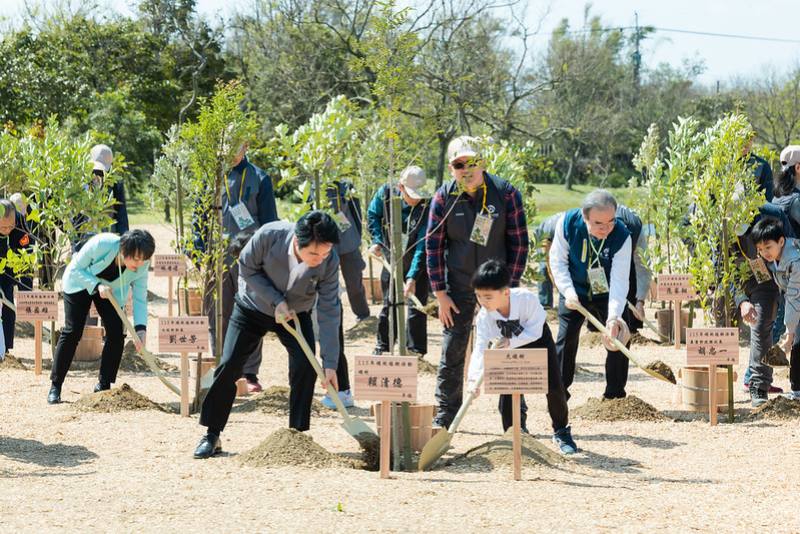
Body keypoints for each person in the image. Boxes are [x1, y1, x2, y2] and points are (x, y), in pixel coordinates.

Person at [193, 211, 343, 459]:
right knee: (229, 365)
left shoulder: (329, 259)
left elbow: (329, 309)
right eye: (313, 254)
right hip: (253, 306)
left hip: (296, 313)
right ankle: (212, 433)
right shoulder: (269, 235)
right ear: (297, 241)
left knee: (306, 366)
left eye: (325, 253)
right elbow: (246, 267)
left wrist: (330, 363)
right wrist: (276, 301)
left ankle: (297, 436)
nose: (319, 259)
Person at [426, 135, 529, 428]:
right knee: (453, 349)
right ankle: (446, 415)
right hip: (457, 286)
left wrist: (510, 286)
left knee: (506, 349)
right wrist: (440, 293)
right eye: (459, 164)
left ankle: (514, 421)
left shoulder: (506, 194)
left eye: (473, 162)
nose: (466, 169)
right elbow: (432, 246)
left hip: (497, 287)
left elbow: (519, 243)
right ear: (451, 168)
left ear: (483, 163)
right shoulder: (443, 198)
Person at [465, 259, 577, 454]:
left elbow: (535, 331)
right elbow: (480, 348)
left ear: (505, 292)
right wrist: (473, 380)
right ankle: (514, 433)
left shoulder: (527, 300)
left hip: (537, 340)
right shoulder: (484, 316)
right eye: (479, 296)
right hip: (504, 346)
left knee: (554, 386)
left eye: (488, 297)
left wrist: (510, 342)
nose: (483, 302)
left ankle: (561, 431)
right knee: (507, 389)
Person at [195, 142, 278, 393]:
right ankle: (220, 363)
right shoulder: (210, 177)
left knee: (252, 310)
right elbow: (198, 216)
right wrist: (197, 249)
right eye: (225, 143)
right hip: (215, 255)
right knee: (216, 310)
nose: (230, 149)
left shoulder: (260, 178)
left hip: (250, 256)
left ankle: (249, 373)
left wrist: (269, 256)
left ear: (246, 146)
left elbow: (269, 221)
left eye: (236, 144)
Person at [47, 230, 156, 404]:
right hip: (80, 283)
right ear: (124, 249)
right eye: (136, 258)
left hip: (111, 292)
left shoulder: (142, 265)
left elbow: (140, 298)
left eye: (144, 259)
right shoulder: (102, 244)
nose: (140, 263)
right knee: (73, 331)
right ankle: (56, 385)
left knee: (116, 334)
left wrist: (141, 329)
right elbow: (76, 268)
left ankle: (104, 385)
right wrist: (96, 285)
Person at [549, 189, 632, 400]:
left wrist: (614, 316)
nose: (606, 229)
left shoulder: (622, 235)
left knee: (618, 335)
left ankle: (614, 395)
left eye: (611, 221)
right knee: (565, 339)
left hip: (607, 293)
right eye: (598, 224)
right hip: (574, 291)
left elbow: (620, 279)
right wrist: (568, 292)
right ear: (585, 217)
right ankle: (560, 393)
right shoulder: (567, 224)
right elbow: (558, 261)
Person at [367, 165, 431, 357]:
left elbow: (423, 244)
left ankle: (415, 351)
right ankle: (384, 345)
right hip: (391, 255)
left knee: (416, 305)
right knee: (389, 301)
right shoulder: (385, 194)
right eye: (411, 193)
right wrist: (377, 240)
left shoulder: (426, 206)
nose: (416, 198)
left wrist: (412, 276)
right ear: (400, 187)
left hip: (416, 257)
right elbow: (373, 215)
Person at [735, 208, 793, 405]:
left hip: (768, 279)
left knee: (760, 326)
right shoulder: (721, 220)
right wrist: (742, 300)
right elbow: (722, 268)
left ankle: (759, 386)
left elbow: (790, 250)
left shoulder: (772, 214)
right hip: (739, 277)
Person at [751, 217, 800, 400]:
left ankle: (797, 391)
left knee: (797, 340)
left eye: (768, 247)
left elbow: (795, 298)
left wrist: (790, 332)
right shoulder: (773, 259)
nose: (765, 253)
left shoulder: (795, 260)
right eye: (760, 249)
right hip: (795, 298)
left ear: (781, 241)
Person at [321, 179, 371, 322]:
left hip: (348, 240)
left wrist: (358, 236)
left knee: (354, 281)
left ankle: (363, 315)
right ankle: (333, 317)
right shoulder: (316, 183)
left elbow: (356, 212)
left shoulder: (346, 185)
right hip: (326, 243)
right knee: (328, 283)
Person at [73, 144, 129, 250]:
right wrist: (75, 248)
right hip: (85, 238)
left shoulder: (116, 184)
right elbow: (76, 217)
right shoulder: (81, 181)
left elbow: (121, 215)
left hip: (109, 238)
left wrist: (124, 243)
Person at [0, 199, 33, 357]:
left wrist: (26, 292)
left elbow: (27, 257)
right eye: (3, 227)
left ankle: (6, 347)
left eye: (10, 226)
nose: (7, 230)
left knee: (8, 304)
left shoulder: (20, 223)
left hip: (11, 267)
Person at [615, 204, 652, 335]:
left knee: (631, 273)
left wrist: (640, 301)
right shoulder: (601, 224)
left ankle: (632, 326)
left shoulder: (636, 227)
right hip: (601, 253)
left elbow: (644, 266)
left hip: (631, 259)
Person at [533, 213, 562, 309]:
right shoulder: (552, 230)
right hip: (544, 234)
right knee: (544, 267)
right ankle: (545, 304)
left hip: (557, 234)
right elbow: (549, 264)